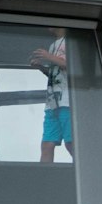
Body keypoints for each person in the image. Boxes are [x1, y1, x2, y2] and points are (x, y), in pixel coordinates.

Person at [31, 26, 73, 161]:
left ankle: (88, 173)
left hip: (67, 102)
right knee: (46, 145)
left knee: (71, 143)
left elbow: (72, 66)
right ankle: (44, 179)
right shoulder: (52, 45)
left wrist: (49, 57)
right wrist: (41, 68)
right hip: (52, 103)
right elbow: (56, 75)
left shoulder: (72, 42)